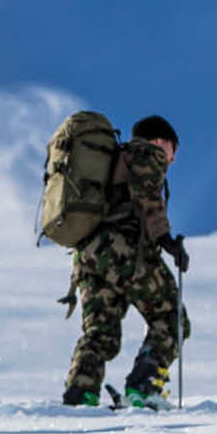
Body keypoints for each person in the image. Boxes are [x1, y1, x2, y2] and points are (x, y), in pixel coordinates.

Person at [61, 115, 190, 409]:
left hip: (88, 258)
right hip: (124, 252)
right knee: (172, 319)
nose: (172, 159)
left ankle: (80, 395)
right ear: (161, 142)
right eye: (173, 151)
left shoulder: (108, 162)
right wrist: (166, 240)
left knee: (100, 333)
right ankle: (143, 387)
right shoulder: (145, 153)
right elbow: (147, 195)